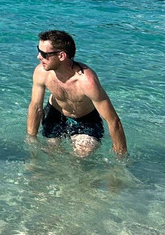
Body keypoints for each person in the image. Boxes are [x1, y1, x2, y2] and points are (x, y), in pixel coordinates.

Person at [27, 29, 127, 157]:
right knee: (52, 153)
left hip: (86, 119)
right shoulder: (41, 72)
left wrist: (121, 158)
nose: (38, 57)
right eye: (38, 50)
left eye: (44, 54)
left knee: (82, 154)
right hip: (55, 115)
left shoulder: (87, 81)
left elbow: (113, 120)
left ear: (61, 56)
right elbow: (36, 107)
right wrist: (31, 138)